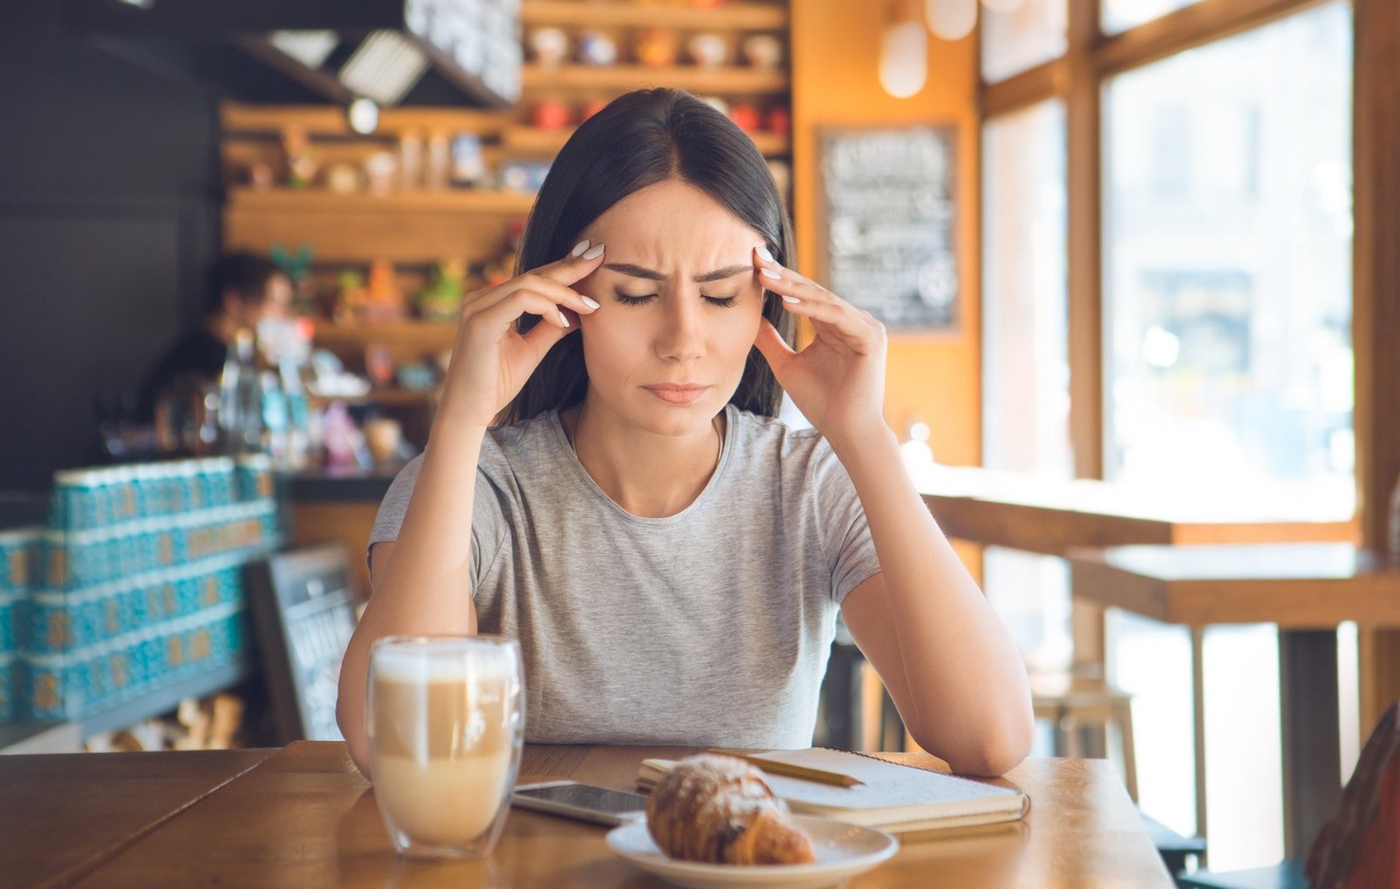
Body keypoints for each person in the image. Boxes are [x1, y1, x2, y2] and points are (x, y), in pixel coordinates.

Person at [336, 89, 1033, 777]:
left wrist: (864, 434)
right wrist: (462, 417)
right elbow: (390, 745)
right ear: (561, 294)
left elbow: (990, 738)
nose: (683, 340)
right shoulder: (480, 487)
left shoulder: (809, 487)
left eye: (722, 295)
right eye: (636, 293)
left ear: (771, 296)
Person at [137, 251, 293, 421]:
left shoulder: (239, 354)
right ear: (234, 301)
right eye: (274, 304)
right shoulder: (202, 361)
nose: (282, 316)